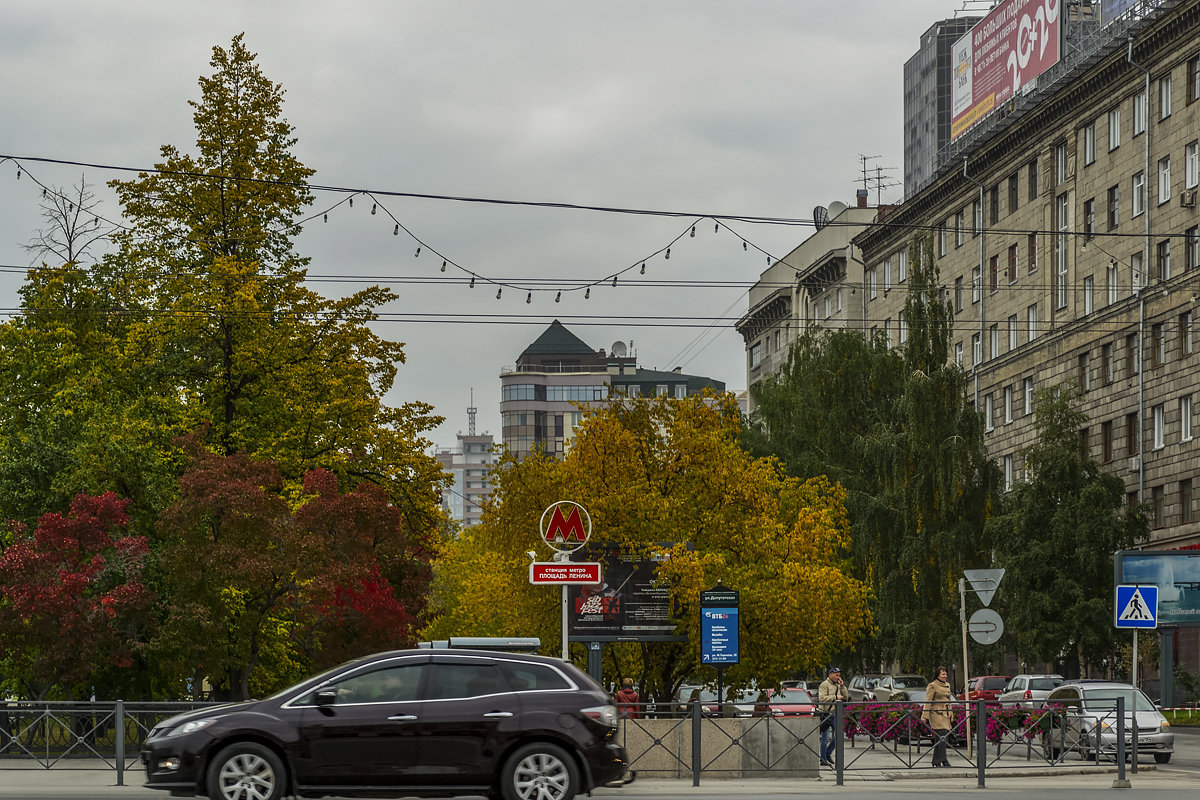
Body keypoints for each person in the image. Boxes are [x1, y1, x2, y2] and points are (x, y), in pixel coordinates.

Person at [922, 666, 954, 767]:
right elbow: (928, 701)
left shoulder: (947, 685)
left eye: (946, 674)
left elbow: (949, 701)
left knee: (941, 738)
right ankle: (943, 760)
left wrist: (951, 714)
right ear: (938, 675)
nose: (945, 676)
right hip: (936, 713)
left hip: (945, 713)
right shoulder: (932, 685)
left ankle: (937, 761)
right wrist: (924, 716)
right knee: (942, 735)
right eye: (943, 674)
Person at [817, 666, 849, 767]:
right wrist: (835, 697)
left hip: (835, 713)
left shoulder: (839, 685)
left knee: (840, 735)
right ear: (830, 675)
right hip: (825, 713)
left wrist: (843, 687)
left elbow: (846, 697)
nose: (838, 677)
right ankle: (823, 759)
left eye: (839, 675)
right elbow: (821, 698)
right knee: (825, 737)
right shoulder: (824, 684)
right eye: (836, 675)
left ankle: (827, 753)